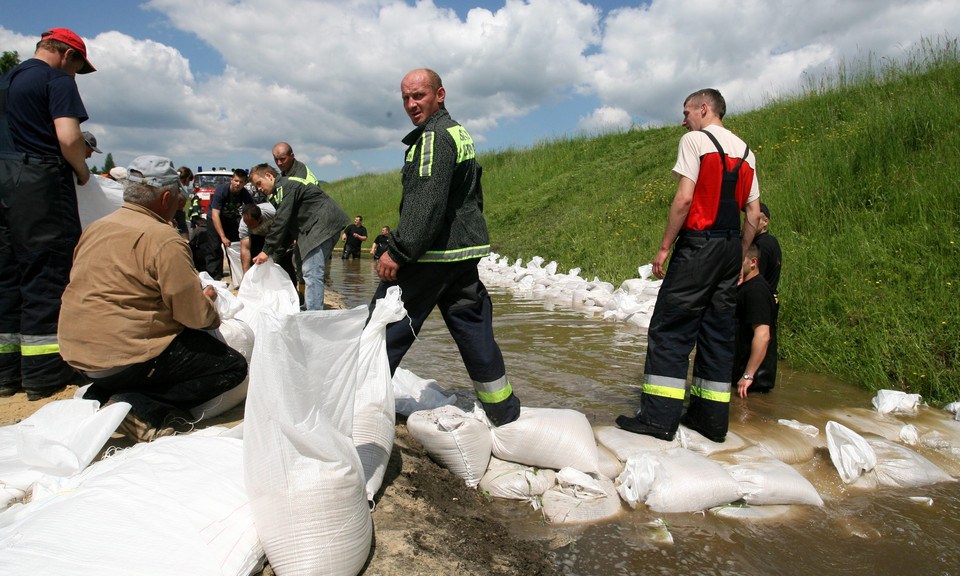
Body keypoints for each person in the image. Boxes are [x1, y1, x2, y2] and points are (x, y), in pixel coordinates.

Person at [59, 155, 248, 442]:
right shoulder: (165, 238)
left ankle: (101, 393)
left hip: (77, 355)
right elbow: (195, 316)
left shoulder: (95, 229)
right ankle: (138, 408)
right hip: (125, 359)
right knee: (231, 367)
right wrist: (208, 301)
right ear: (166, 198)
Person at [371, 68, 520, 426]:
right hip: (461, 255)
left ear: (440, 95)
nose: (411, 104)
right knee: (473, 327)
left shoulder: (434, 138)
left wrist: (399, 251)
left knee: (383, 325)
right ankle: (503, 411)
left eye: (418, 96)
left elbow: (427, 202)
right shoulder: (458, 132)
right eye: (405, 98)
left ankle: (355, 404)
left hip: (430, 254)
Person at [617, 88, 760, 443]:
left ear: (704, 108)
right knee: (717, 333)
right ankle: (711, 421)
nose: (683, 122)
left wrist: (664, 248)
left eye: (686, 113)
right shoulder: (746, 152)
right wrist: (741, 253)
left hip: (699, 246)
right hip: (730, 249)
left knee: (671, 328)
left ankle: (658, 419)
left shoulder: (696, 141)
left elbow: (684, 199)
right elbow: (754, 213)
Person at [0, 28, 96, 400]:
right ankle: (43, 374)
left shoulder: (6, 80)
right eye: (77, 66)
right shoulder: (56, 80)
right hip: (38, 182)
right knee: (46, 273)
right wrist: (83, 173)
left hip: (3, 181)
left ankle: (6, 375)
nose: (75, 74)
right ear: (66, 54)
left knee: (7, 277)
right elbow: (69, 138)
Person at [249, 163, 348, 310]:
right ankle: (307, 305)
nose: (259, 188)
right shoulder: (278, 194)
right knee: (301, 266)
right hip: (311, 228)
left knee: (312, 271)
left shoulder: (286, 186)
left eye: (259, 183)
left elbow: (281, 221)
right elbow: (288, 228)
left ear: (269, 176)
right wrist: (275, 254)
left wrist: (266, 251)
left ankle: (314, 314)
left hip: (321, 224)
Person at [732, 243, 777, 396]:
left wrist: (748, 375)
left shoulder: (756, 291)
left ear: (753, 262)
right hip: (740, 376)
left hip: (752, 384)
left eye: (739, 260)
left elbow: (763, 335)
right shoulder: (744, 287)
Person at [204, 168, 253, 280]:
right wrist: (223, 237)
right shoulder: (221, 191)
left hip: (230, 218)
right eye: (236, 181)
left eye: (241, 182)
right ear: (231, 180)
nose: (238, 184)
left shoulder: (244, 193)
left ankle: (237, 276)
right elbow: (215, 215)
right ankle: (214, 278)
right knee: (214, 247)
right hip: (215, 218)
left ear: (245, 183)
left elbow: (252, 208)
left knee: (235, 245)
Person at [754, 202, 781, 300]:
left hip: (761, 299)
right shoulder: (772, 240)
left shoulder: (761, 245)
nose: (749, 222)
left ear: (765, 222)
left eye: (755, 219)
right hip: (770, 297)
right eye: (747, 218)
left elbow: (756, 279)